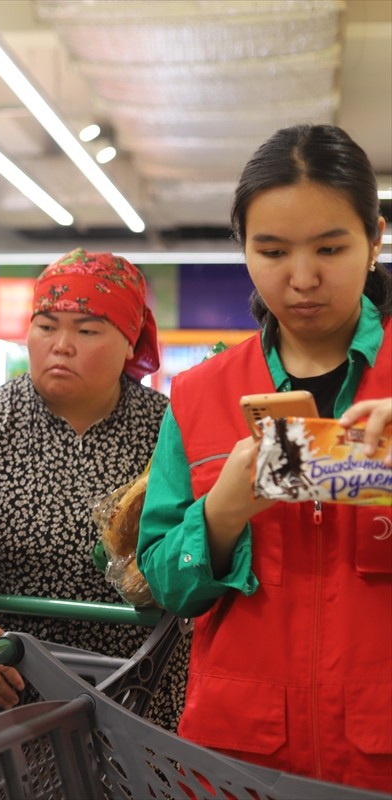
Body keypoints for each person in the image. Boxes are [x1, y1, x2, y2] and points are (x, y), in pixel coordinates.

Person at [137, 124, 391, 791]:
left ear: (375, 240)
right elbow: (164, 581)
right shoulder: (199, 396)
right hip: (237, 757)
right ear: (243, 250)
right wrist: (218, 516)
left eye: (330, 248)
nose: (302, 279)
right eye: (272, 250)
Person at [0, 248, 188, 732]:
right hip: (12, 704)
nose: (61, 345)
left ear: (131, 341)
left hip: (142, 703)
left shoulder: (172, 431)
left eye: (87, 330)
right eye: (46, 326)